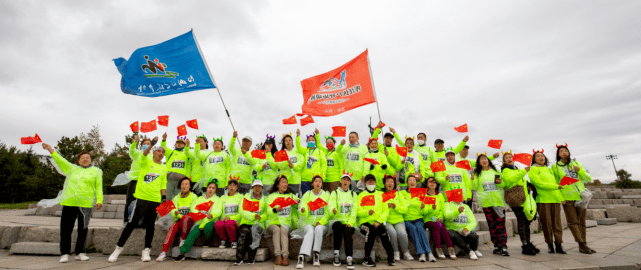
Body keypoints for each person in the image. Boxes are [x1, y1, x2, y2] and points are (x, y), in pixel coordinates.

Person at [41, 143, 103, 263]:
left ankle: (80, 252)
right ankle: (64, 253)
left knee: (83, 228)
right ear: (79, 161)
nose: (85, 159)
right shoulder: (72, 168)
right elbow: (61, 160)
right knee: (66, 229)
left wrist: (99, 200)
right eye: (83, 158)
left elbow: (98, 186)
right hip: (70, 202)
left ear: (90, 160)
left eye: (87, 158)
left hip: (86, 204)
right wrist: (50, 149)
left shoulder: (96, 171)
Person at [109, 142, 167, 263]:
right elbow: (144, 154)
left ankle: (146, 250)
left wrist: (163, 197)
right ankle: (118, 248)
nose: (161, 153)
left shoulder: (163, 167)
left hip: (155, 200)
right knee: (132, 223)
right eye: (158, 151)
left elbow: (163, 183)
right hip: (142, 198)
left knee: (150, 226)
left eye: (163, 152)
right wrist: (151, 144)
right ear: (153, 152)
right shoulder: (146, 162)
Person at [552, 145, 594, 254]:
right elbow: (556, 183)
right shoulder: (555, 167)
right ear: (558, 154)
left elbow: (588, 178)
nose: (564, 152)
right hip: (567, 198)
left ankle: (584, 244)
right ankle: (580, 243)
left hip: (581, 197)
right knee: (573, 222)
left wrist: (579, 170)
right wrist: (560, 197)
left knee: (581, 222)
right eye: (561, 151)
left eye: (566, 151)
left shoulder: (576, 164)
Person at [529, 150, 566, 254]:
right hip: (543, 200)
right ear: (534, 159)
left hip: (555, 199)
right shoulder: (533, 169)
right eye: (538, 156)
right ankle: (550, 245)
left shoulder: (549, 169)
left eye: (542, 156)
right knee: (547, 224)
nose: (541, 157)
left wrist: (560, 198)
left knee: (557, 224)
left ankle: (559, 245)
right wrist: (556, 186)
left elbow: (555, 184)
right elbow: (539, 184)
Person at [501, 153, 539, 255]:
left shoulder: (516, 169)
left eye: (511, 157)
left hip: (524, 200)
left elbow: (521, 181)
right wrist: (523, 171)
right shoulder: (505, 170)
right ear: (504, 161)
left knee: (526, 223)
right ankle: (525, 246)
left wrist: (528, 185)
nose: (509, 159)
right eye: (507, 158)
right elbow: (511, 180)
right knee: (522, 222)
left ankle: (528, 243)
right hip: (516, 200)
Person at [174, 181, 221, 262]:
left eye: (213, 188)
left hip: (209, 221)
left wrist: (213, 214)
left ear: (215, 190)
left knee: (208, 227)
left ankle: (207, 240)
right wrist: (199, 215)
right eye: (209, 187)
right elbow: (193, 209)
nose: (211, 190)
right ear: (206, 188)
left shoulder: (217, 199)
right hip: (199, 222)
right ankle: (182, 253)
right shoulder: (199, 199)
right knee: (192, 233)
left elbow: (218, 210)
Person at [472, 154, 509, 256]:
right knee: (491, 225)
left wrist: (501, 182)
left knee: (500, 225)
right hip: (486, 203)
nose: (484, 160)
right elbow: (474, 186)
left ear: (488, 161)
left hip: (498, 202)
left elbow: (502, 185)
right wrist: (472, 179)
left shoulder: (495, 171)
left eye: (485, 159)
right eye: (481, 159)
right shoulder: (477, 174)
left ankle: (503, 246)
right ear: (479, 163)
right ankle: (496, 245)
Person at [357, 174, 395, 267]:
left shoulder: (381, 194)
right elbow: (358, 211)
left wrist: (379, 221)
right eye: (369, 181)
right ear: (365, 183)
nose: (371, 183)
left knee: (383, 230)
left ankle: (390, 257)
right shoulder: (361, 195)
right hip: (365, 223)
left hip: (377, 222)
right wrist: (367, 212)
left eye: (372, 181)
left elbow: (385, 211)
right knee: (371, 230)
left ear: (375, 183)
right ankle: (366, 258)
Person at [157, 177, 198, 261]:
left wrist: (182, 216)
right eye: (182, 184)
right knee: (172, 228)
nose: (184, 186)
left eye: (186, 184)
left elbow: (194, 210)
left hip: (189, 220)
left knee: (185, 218)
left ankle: (183, 240)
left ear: (190, 186)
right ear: (180, 186)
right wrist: (175, 213)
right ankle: (163, 252)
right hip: (179, 220)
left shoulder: (194, 196)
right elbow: (173, 209)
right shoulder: (176, 197)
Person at [297, 175, 331, 268]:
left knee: (319, 229)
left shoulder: (326, 195)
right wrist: (303, 211)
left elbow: (328, 211)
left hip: (321, 223)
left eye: (320, 181)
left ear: (322, 184)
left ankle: (316, 254)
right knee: (311, 231)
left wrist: (321, 221)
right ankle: (301, 256)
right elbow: (302, 207)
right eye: (316, 181)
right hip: (309, 222)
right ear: (312, 183)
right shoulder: (307, 194)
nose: (318, 183)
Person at [120, 135, 155, 226]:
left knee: (144, 202)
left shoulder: (152, 156)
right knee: (130, 200)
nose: (146, 145)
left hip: (146, 182)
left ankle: (142, 220)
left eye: (148, 144)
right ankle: (126, 220)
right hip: (135, 180)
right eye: (144, 144)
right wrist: (135, 142)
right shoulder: (137, 154)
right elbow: (131, 150)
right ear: (141, 145)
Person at [400, 175, 436, 262]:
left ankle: (429, 252)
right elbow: (401, 207)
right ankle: (421, 253)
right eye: (410, 180)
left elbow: (426, 211)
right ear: (407, 183)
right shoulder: (401, 194)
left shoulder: (421, 193)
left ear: (416, 183)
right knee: (413, 229)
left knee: (420, 228)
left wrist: (423, 207)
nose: (412, 182)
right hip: (407, 219)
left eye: (414, 180)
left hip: (419, 218)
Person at [266, 175, 299, 266]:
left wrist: (296, 202)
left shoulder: (290, 195)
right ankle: (278, 256)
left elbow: (298, 205)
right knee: (276, 230)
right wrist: (275, 210)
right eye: (283, 182)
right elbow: (268, 210)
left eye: (286, 182)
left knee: (283, 230)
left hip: (286, 223)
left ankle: (285, 256)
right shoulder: (272, 196)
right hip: (272, 222)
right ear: (277, 185)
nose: (285, 184)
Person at [328, 172, 358, 269]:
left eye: (347, 180)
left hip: (349, 222)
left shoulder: (353, 194)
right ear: (341, 181)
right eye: (344, 179)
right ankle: (336, 255)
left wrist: (350, 222)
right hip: (336, 220)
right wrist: (333, 209)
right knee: (338, 226)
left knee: (348, 230)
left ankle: (349, 257)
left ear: (350, 182)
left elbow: (354, 210)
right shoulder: (335, 192)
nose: (345, 181)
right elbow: (331, 204)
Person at [422, 177, 455, 260]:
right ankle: (438, 248)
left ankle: (450, 248)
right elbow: (423, 212)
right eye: (430, 182)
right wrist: (431, 209)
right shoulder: (424, 195)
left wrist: (440, 217)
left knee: (441, 227)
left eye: (434, 182)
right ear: (426, 184)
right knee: (437, 226)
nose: (432, 183)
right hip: (428, 219)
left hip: (437, 219)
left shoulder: (440, 195)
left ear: (436, 185)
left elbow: (442, 209)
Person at [234, 179, 267, 265]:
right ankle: (239, 258)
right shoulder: (246, 197)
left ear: (262, 188)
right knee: (243, 234)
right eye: (255, 187)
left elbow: (266, 213)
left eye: (259, 187)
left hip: (258, 223)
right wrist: (253, 216)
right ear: (252, 188)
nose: (257, 188)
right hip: (246, 222)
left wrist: (261, 218)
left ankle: (251, 258)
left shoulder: (265, 199)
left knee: (253, 234)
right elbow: (241, 210)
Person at [443, 189, 481, 261]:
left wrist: (467, 228)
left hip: (463, 230)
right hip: (452, 230)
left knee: (474, 236)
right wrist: (457, 212)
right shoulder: (447, 205)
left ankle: (474, 249)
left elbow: (473, 221)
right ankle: (470, 251)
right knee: (455, 236)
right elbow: (447, 216)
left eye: (461, 195)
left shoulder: (466, 206)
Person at [381, 175, 411, 261]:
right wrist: (386, 206)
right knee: (392, 233)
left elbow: (404, 209)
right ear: (384, 184)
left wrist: (395, 206)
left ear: (394, 184)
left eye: (392, 182)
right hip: (387, 220)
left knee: (402, 233)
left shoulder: (399, 194)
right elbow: (379, 208)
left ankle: (406, 252)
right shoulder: (381, 195)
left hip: (398, 220)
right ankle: (396, 252)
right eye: (388, 182)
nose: (390, 183)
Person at [296, 129, 328, 196]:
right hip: (305, 179)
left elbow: (324, 164)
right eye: (309, 140)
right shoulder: (305, 151)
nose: (311, 141)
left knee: (317, 199)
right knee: (306, 198)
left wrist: (322, 176)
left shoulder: (319, 151)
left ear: (315, 142)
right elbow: (298, 148)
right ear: (307, 142)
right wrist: (298, 136)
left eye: (313, 140)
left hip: (317, 180)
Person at [214, 178, 244, 249]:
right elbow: (218, 209)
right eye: (230, 185)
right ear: (227, 187)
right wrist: (214, 215)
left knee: (229, 223)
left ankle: (234, 241)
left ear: (237, 187)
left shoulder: (241, 197)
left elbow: (242, 212)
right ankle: (224, 240)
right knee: (218, 224)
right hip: (224, 220)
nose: (232, 187)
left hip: (235, 220)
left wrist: (231, 218)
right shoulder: (222, 197)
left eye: (234, 185)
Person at [161, 133, 192, 200]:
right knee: (167, 197)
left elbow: (188, 152)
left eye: (182, 143)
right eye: (178, 143)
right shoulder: (170, 152)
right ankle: (166, 210)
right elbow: (163, 148)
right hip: (169, 179)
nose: (179, 144)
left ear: (184, 145)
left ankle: (176, 210)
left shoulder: (187, 154)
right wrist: (164, 140)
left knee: (178, 198)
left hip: (181, 181)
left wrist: (188, 146)